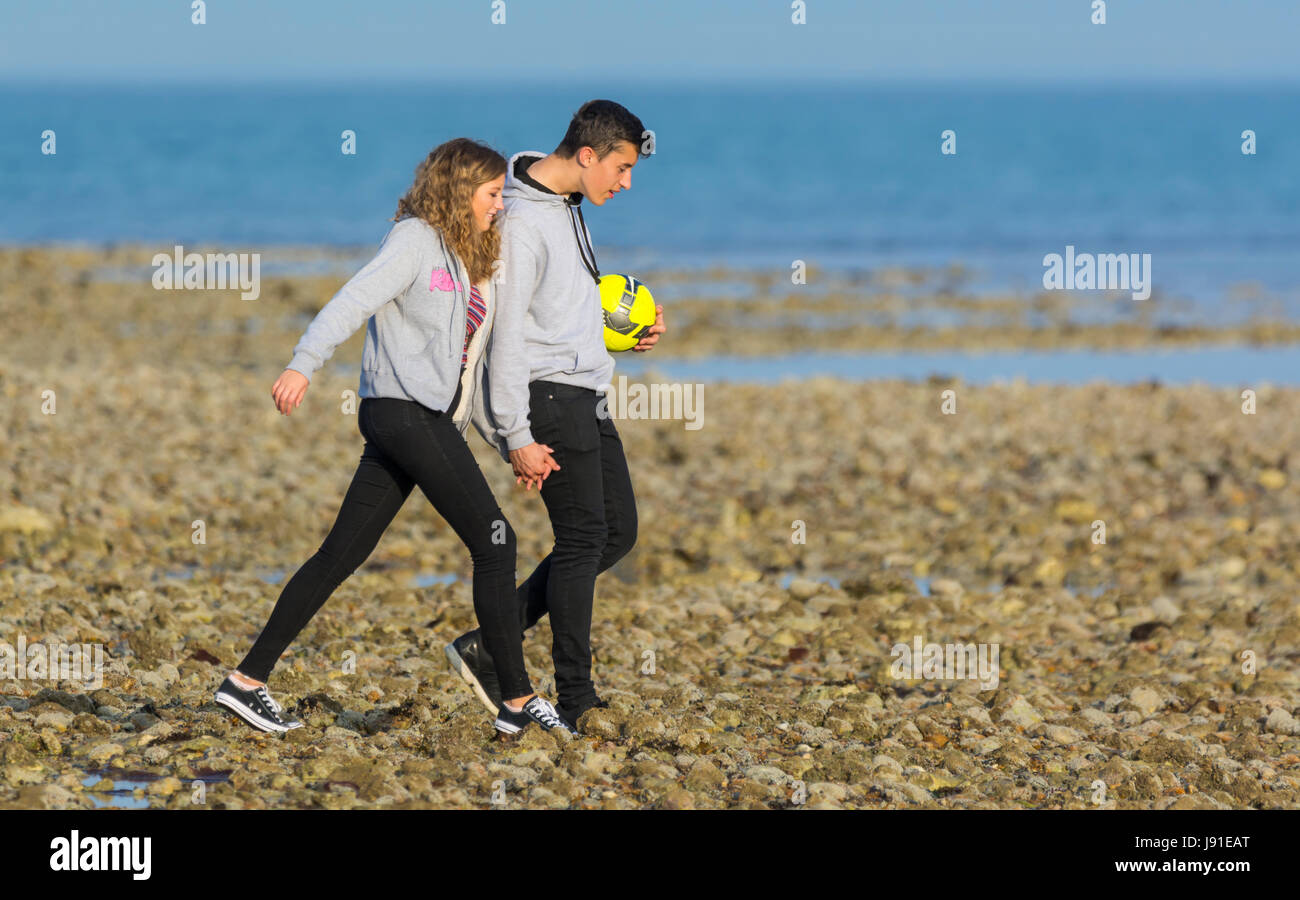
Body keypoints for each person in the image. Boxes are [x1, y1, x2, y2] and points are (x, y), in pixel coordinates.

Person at [214, 138, 574, 737]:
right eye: (491, 195)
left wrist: (511, 439)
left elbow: (465, 374)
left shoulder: (468, 258)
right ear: (460, 190)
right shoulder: (413, 240)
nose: (499, 206)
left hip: (419, 421)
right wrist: (304, 363)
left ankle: (245, 682)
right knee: (496, 543)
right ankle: (516, 701)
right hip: (403, 416)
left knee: (341, 554)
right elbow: (349, 302)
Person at [444, 101, 666, 732]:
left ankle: (493, 640)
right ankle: (575, 696)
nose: (624, 184)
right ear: (588, 155)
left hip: (586, 389)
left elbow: (567, 306)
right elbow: (508, 332)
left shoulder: (569, 206)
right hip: (548, 398)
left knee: (616, 531)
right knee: (582, 538)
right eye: (620, 169)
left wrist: (626, 332)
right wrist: (513, 433)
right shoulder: (521, 224)